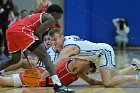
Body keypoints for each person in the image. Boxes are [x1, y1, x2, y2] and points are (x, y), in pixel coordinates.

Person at [0, 4, 72, 92]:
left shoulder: (37, 17)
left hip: (10, 31)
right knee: (46, 57)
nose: (57, 20)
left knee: (15, 60)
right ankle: (58, 85)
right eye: (58, 17)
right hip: (21, 30)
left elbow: (25, 37)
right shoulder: (50, 18)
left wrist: (27, 53)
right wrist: (42, 52)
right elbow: (38, 33)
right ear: (53, 14)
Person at [48, 28, 140, 87]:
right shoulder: (67, 39)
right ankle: (134, 66)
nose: (53, 42)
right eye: (52, 40)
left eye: (55, 39)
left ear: (61, 37)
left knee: (108, 82)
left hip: (103, 52)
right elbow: (75, 37)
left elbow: (56, 64)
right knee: (114, 76)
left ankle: (137, 77)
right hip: (97, 56)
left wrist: (42, 76)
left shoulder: (69, 48)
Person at [0, 58, 102, 87]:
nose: (88, 74)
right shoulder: (74, 65)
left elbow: (91, 81)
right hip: (36, 78)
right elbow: (78, 60)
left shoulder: (78, 73)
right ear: (87, 64)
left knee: (3, 82)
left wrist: (104, 82)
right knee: (3, 82)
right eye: (90, 71)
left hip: (40, 80)